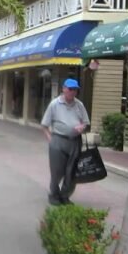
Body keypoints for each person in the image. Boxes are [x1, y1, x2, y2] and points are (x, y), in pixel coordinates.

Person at [40, 78, 90, 206]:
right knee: (57, 171)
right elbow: (44, 125)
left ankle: (65, 195)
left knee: (72, 171)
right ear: (64, 89)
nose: (73, 92)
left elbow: (86, 122)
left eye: (75, 90)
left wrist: (82, 127)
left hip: (75, 141)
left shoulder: (79, 105)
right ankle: (54, 194)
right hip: (58, 140)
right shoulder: (54, 104)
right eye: (70, 89)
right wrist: (50, 139)